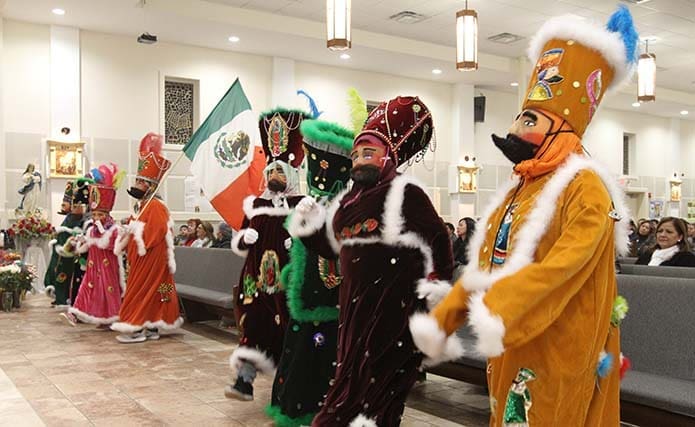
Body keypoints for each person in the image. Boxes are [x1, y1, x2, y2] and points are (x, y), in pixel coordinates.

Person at [410, 7, 638, 425]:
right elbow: (488, 265)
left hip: (558, 339)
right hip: (514, 337)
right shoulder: (522, 184)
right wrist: (445, 317)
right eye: (519, 117)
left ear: (561, 129)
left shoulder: (584, 185)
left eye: (528, 120)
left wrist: (504, 305)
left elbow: (566, 265)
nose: (514, 129)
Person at [290, 95, 454, 426]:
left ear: (387, 157)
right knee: (365, 388)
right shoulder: (348, 201)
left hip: (393, 309)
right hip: (353, 311)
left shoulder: (404, 191)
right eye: (355, 155)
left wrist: (437, 283)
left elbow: (438, 238)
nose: (359, 161)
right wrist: (308, 227)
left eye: (369, 154)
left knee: (369, 387)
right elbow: (333, 247)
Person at [267, 117, 354, 426]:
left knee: (318, 354)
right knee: (301, 348)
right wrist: (293, 273)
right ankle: (298, 407)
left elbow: (333, 254)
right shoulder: (315, 203)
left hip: (326, 299)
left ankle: (312, 410)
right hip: (306, 296)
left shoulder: (340, 208)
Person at [225, 107, 310, 401]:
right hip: (256, 282)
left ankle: (289, 392)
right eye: (270, 170)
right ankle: (244, 381)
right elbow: (239, 246)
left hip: (289, 282)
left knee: (290, 332)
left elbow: (318, 244)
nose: (274, 174)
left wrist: (298, 244)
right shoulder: (256, 205)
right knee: (254, 327)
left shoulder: (303, 204)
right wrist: (243, 239)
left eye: (279, 171)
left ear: (290, 174)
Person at [111, 133, 182, 343]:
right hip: (147, 259)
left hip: (152, 258)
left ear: (151, 186)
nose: (137, 184)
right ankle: (152, 325)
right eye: (138, 180)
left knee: (143, 291)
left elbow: (156, 232)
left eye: (142, 181)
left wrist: (134, 229)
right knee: (154, 293)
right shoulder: (144, 205)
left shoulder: (156, 206)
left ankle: (136, 326)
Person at [63, 163, 126, 327]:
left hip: (108, 268)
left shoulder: (114, 228)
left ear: (107, 214)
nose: (97, 217)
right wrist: (79, 242)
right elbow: (86, 247)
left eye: (100, 214)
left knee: (109, 292)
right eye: (95, 214)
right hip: (93, 267)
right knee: (89, 289)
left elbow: (111, 246)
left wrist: (101, 231)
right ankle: (76, 312)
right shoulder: (91, 228)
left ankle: (112, 317)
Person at [50, 179, 90, 308]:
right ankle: (62, 296)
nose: (75, 208)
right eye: (74, 205)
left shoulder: (85, 219)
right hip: (65, 253)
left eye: (78, 206)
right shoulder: (70, 218)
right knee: (61, 272)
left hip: (78, 256)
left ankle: (70, 298)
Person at [44, 181, 79, 306]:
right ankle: (59, 297)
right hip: (61, 253)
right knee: (58, 274)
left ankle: (63, 298)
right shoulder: (70, 217)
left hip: (68, 255)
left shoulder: (77, 218)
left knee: (65, 277)